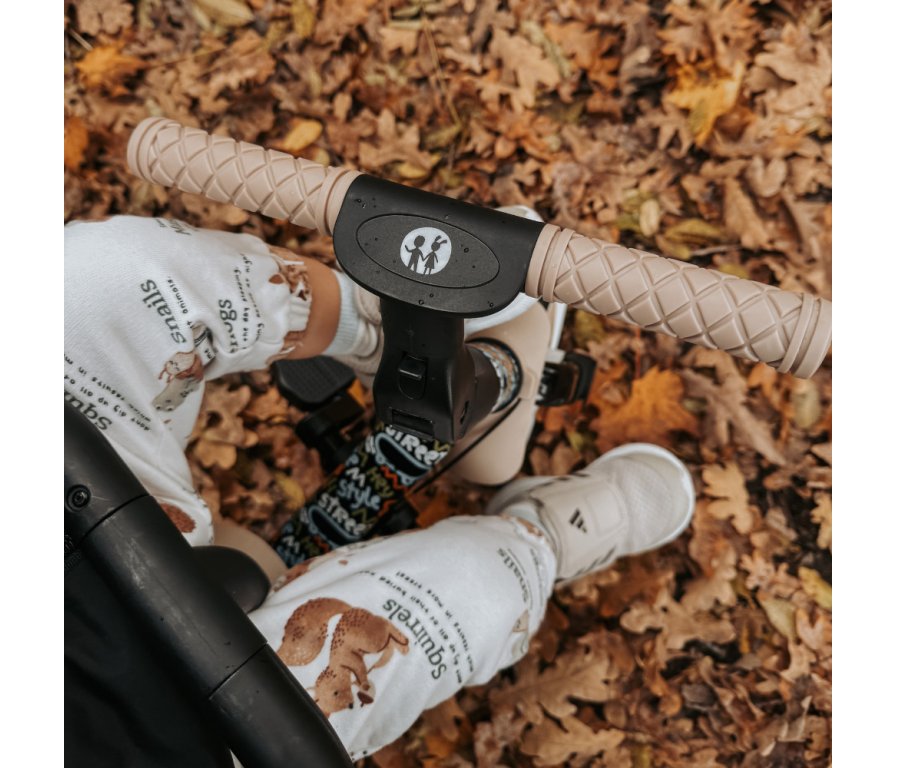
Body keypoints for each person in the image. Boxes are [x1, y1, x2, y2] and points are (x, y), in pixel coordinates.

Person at [64, 214, 696, 762]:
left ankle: (379, 334)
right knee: (474, 592)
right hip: (169, 733)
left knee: (99, 277)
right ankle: (535, 540)